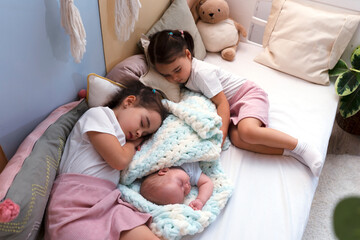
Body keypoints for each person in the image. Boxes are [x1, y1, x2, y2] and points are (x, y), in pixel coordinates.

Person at [147, 29, 323, 177]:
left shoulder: (201, 73)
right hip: (234, 107)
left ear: (188, 55)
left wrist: (221, 137)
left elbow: (222, 103)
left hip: (248, 95)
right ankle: (290, 152)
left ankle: (301, 146)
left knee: (247, 132)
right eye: (167, 76)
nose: (174, 78)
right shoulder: (184, 76)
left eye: (177, 70)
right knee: (239, 140)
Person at [45, 81, 168, 240]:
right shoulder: (99, 115)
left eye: (144, 134)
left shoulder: (122, 139)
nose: (139, 133)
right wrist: (131, 146)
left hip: (108, 202)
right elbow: (119, 160)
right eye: (142, 123)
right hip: (75, 202)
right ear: (128, 102)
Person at [140, 162, 213, 210]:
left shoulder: (161, 161)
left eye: (180, 183)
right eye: (184, 193)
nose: (187, 187)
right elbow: (207, 182)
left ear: (163, 171)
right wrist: (200, 200)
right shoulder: (191, 173)